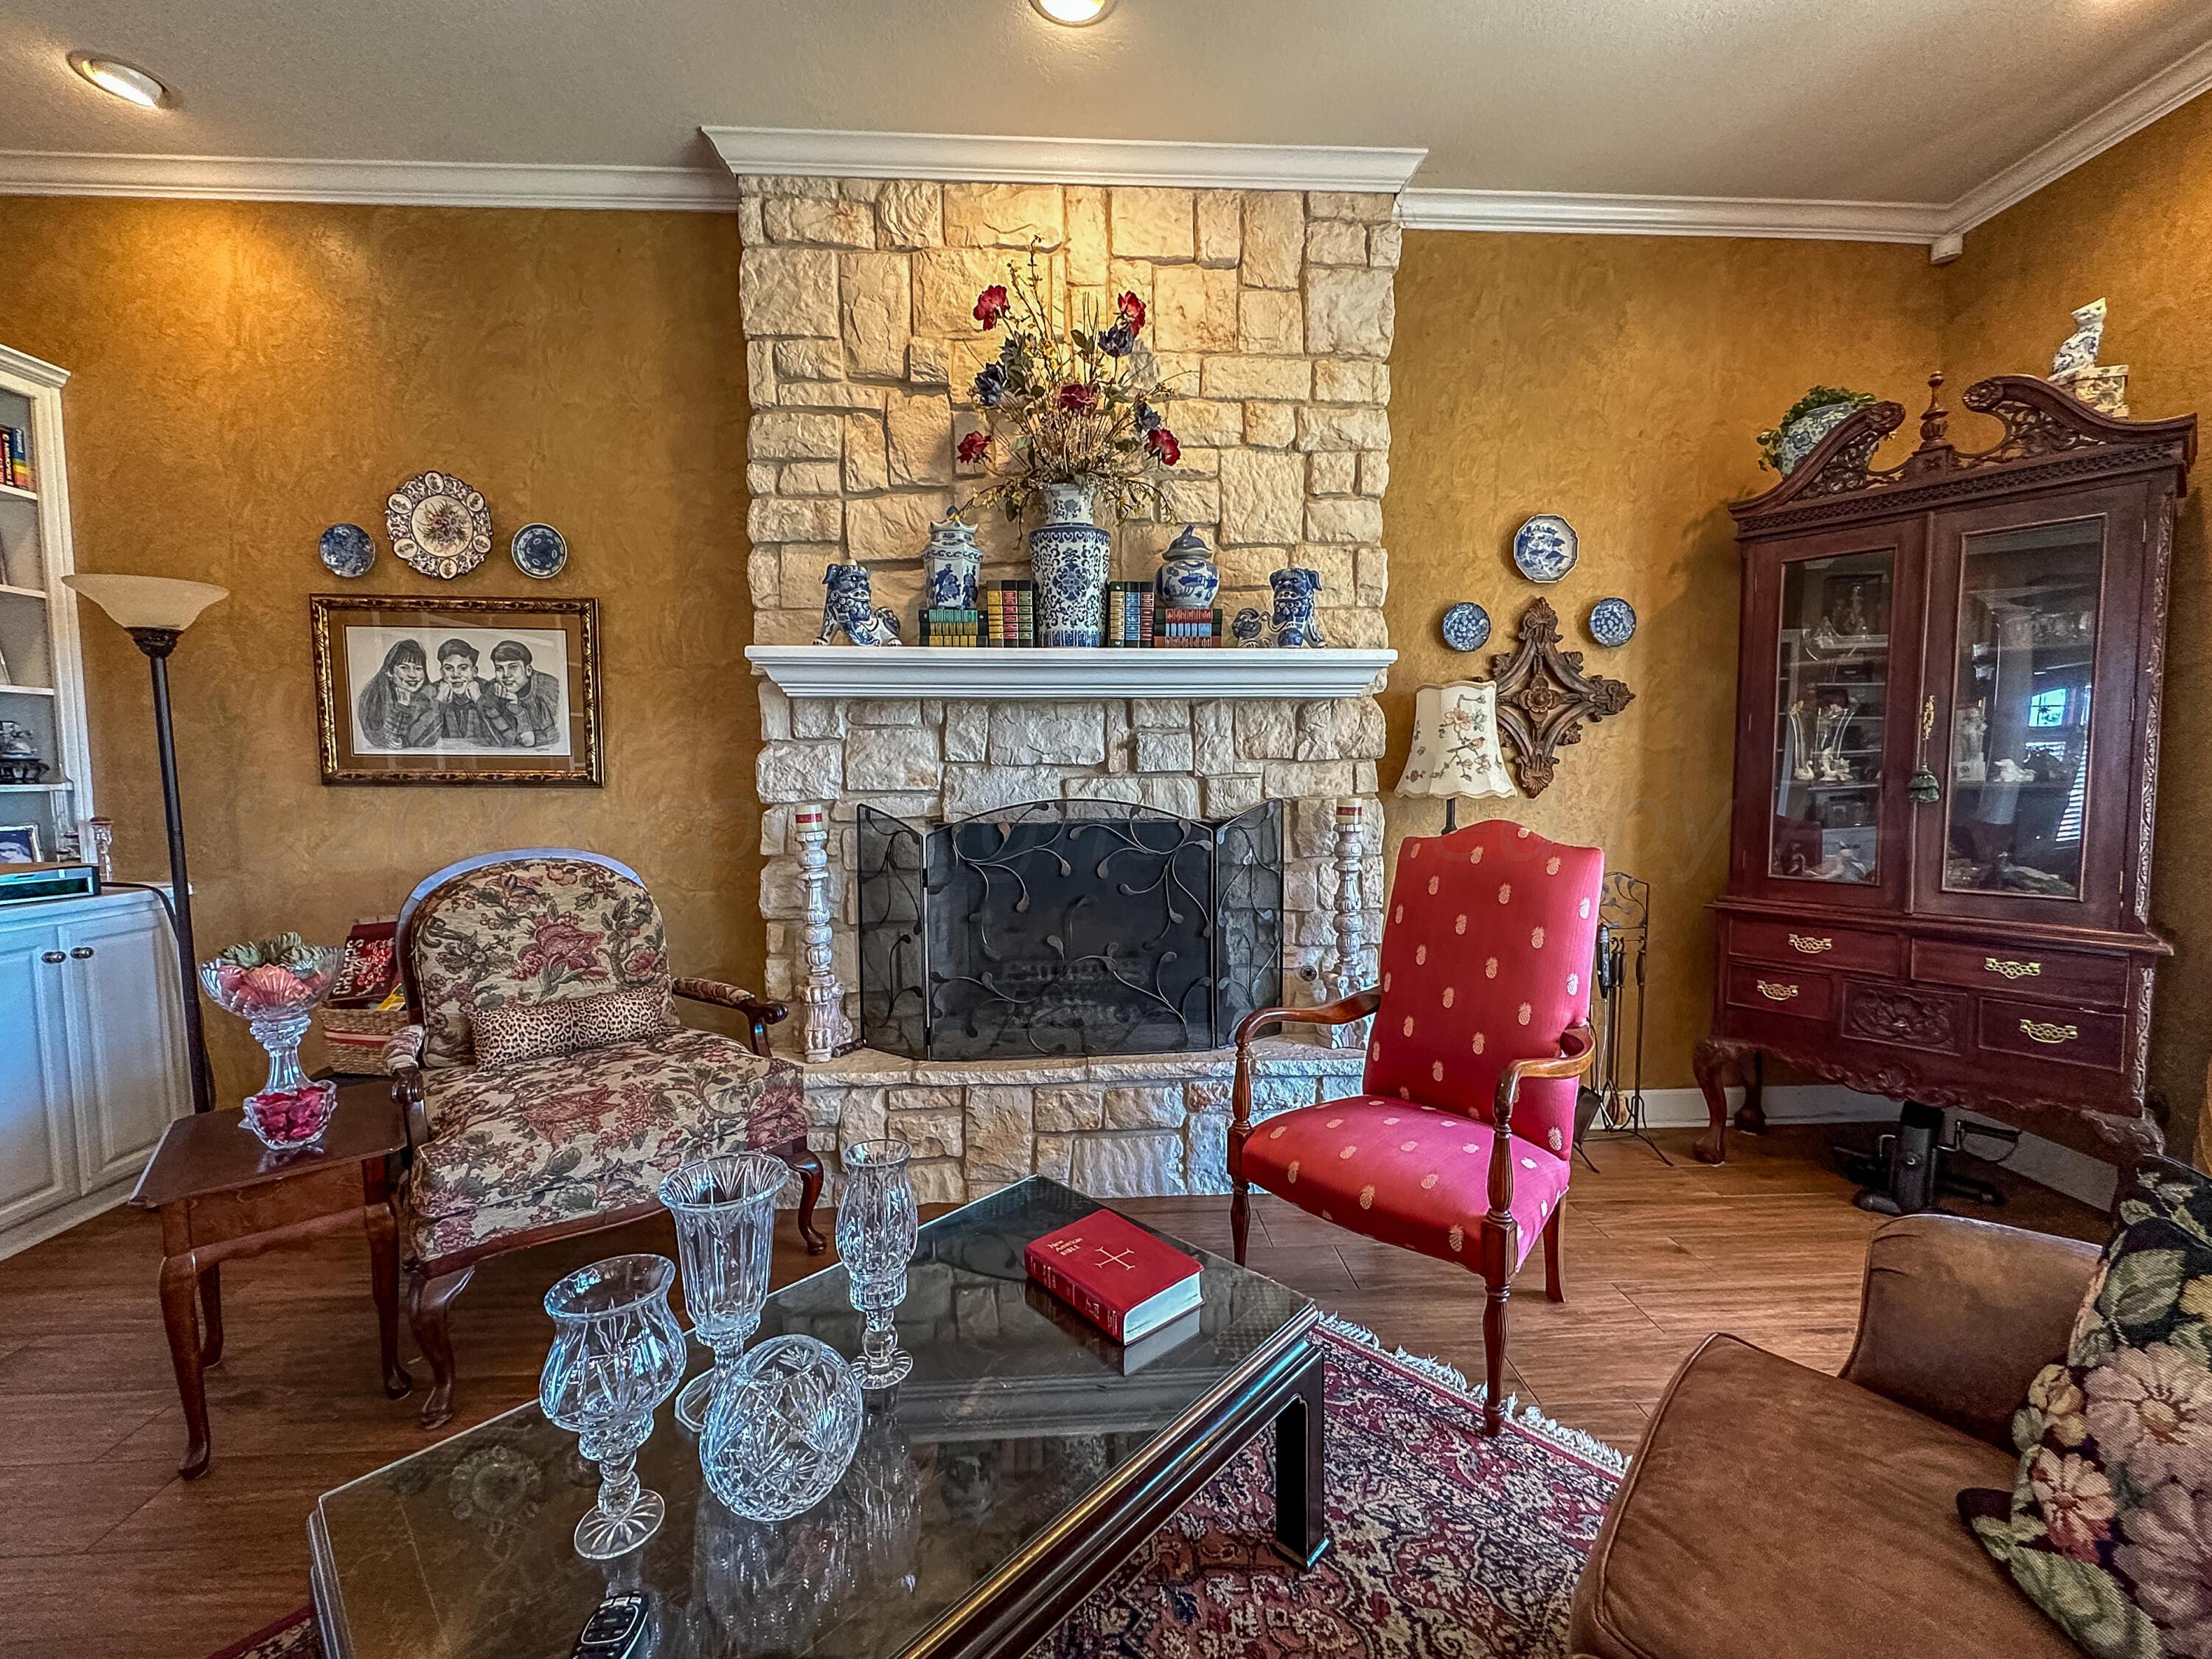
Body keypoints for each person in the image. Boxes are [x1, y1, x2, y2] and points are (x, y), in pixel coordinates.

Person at [354, 638, 441, 750]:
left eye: (418, 668)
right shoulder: (374, 697)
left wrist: (405, 742)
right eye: (404, 668)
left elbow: (427, 741)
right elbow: (381, 740)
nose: (413, 675)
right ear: (389, 672)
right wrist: (402, 707)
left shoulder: (428, 697)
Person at [481, 640, 565, 748]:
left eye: (513, 667)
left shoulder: (551, 688)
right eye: (499, 669)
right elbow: (500, 736)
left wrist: (536, 738)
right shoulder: (492, 690)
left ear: (528, 670)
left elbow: (559, 734)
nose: (506, 675)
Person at [433, 639, 490, 743]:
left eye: (463, 668)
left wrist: (479, 700)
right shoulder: (432, 691)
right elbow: (420, 742)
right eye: (449, 668)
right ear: (441, 672)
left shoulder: (488, 690)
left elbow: (504, 741)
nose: (456, 675)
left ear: (474, 671)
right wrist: (439, 704)